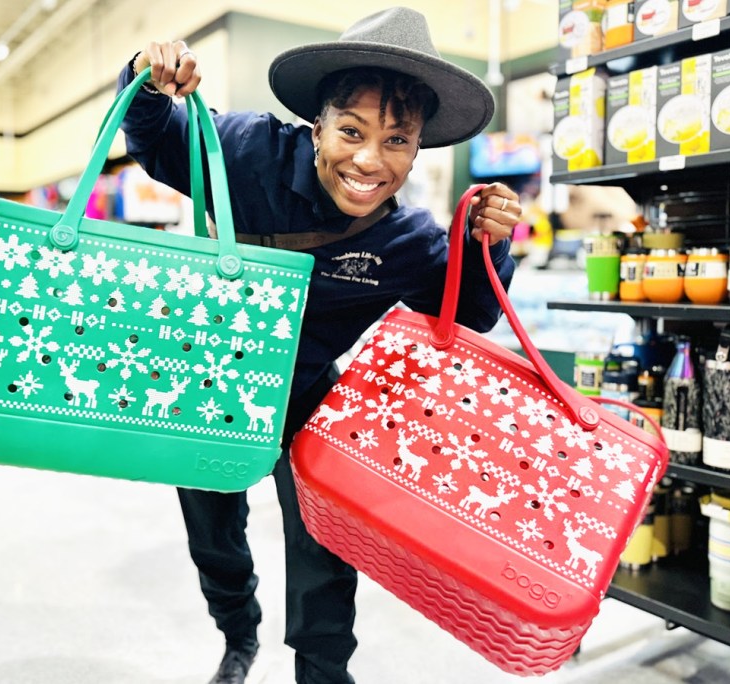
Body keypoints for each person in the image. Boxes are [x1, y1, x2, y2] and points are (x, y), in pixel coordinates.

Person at [118, 7, 520, 684]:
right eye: (352, 132)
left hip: (309, 392)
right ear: (319, 127)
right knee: (214, 532)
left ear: (417, 149)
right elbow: (161, 140)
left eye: (396, 141)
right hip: (208, 381)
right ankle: (237, 636)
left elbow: (473, 315)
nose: (369, 160)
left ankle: (323, 670)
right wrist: (145, 78)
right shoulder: (247, 150)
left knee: (327, 542)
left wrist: (491, 242)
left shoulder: (410, 242)